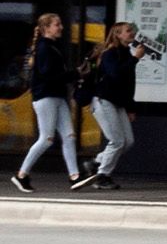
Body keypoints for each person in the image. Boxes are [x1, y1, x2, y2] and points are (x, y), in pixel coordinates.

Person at [15, 12, 82, 192]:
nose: (61, 27)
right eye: (57, 24)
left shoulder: (50, 46)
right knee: (46, 138)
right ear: (46, 28)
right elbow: (48, 75)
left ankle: (75, 176)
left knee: (69, 136)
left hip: (56, 96)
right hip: (46, 96)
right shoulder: (45, 48)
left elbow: (51, 74)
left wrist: (72, 74)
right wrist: (74, 74)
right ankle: (21, 174)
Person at [76, 20, 141, 191]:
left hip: (118, 102)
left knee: (128, 141)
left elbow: (128, 85)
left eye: (132, 30)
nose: (132, 33)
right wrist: (135, 59)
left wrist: (130, 108)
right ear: (118, 35)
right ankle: (102, 175)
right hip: (103, 100)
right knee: (117, 141)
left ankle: (95, 162)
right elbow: (116, 75)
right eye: (128, 30)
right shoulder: (110, 54)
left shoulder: (126, 53)